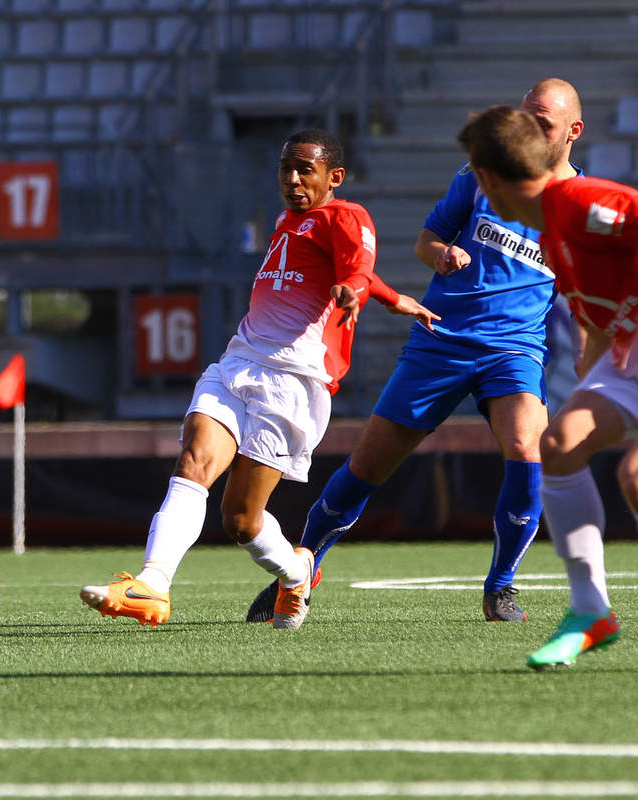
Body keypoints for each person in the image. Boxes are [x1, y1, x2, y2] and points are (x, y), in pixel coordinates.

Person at [247, 79, 584, 627]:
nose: (528, 132)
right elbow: (426, 241)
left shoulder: (579, 200)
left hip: (514, 348)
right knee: (368, 465)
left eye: (542, 123)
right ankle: (299, 572)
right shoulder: (480, 174)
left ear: (573, 132)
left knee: (527, 449)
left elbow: (583, 290)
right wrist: (442, 253)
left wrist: (593, 358)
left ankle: (500, 589)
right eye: (524, 119)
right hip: (441, 341)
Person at [79, 129, 438, 628]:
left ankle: (295, 574)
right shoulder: (285, 221)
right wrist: (393, 298)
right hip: (239, 361)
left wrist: (357, 290)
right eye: (285, 169)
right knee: (193, 460)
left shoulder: (346, 216)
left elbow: (358, 265)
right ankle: (152, 585)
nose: (292, 179)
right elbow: (346, 270)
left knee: (241, 520)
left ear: (333, 177)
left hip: (295, 381)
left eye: (304, 170)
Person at [457, 103, 638, 673]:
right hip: (636, 357)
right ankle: (590, 614)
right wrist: (597, 370)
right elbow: (607, 310)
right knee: (557, 448)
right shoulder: (547, 227)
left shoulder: (581, 205)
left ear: (486, 180)